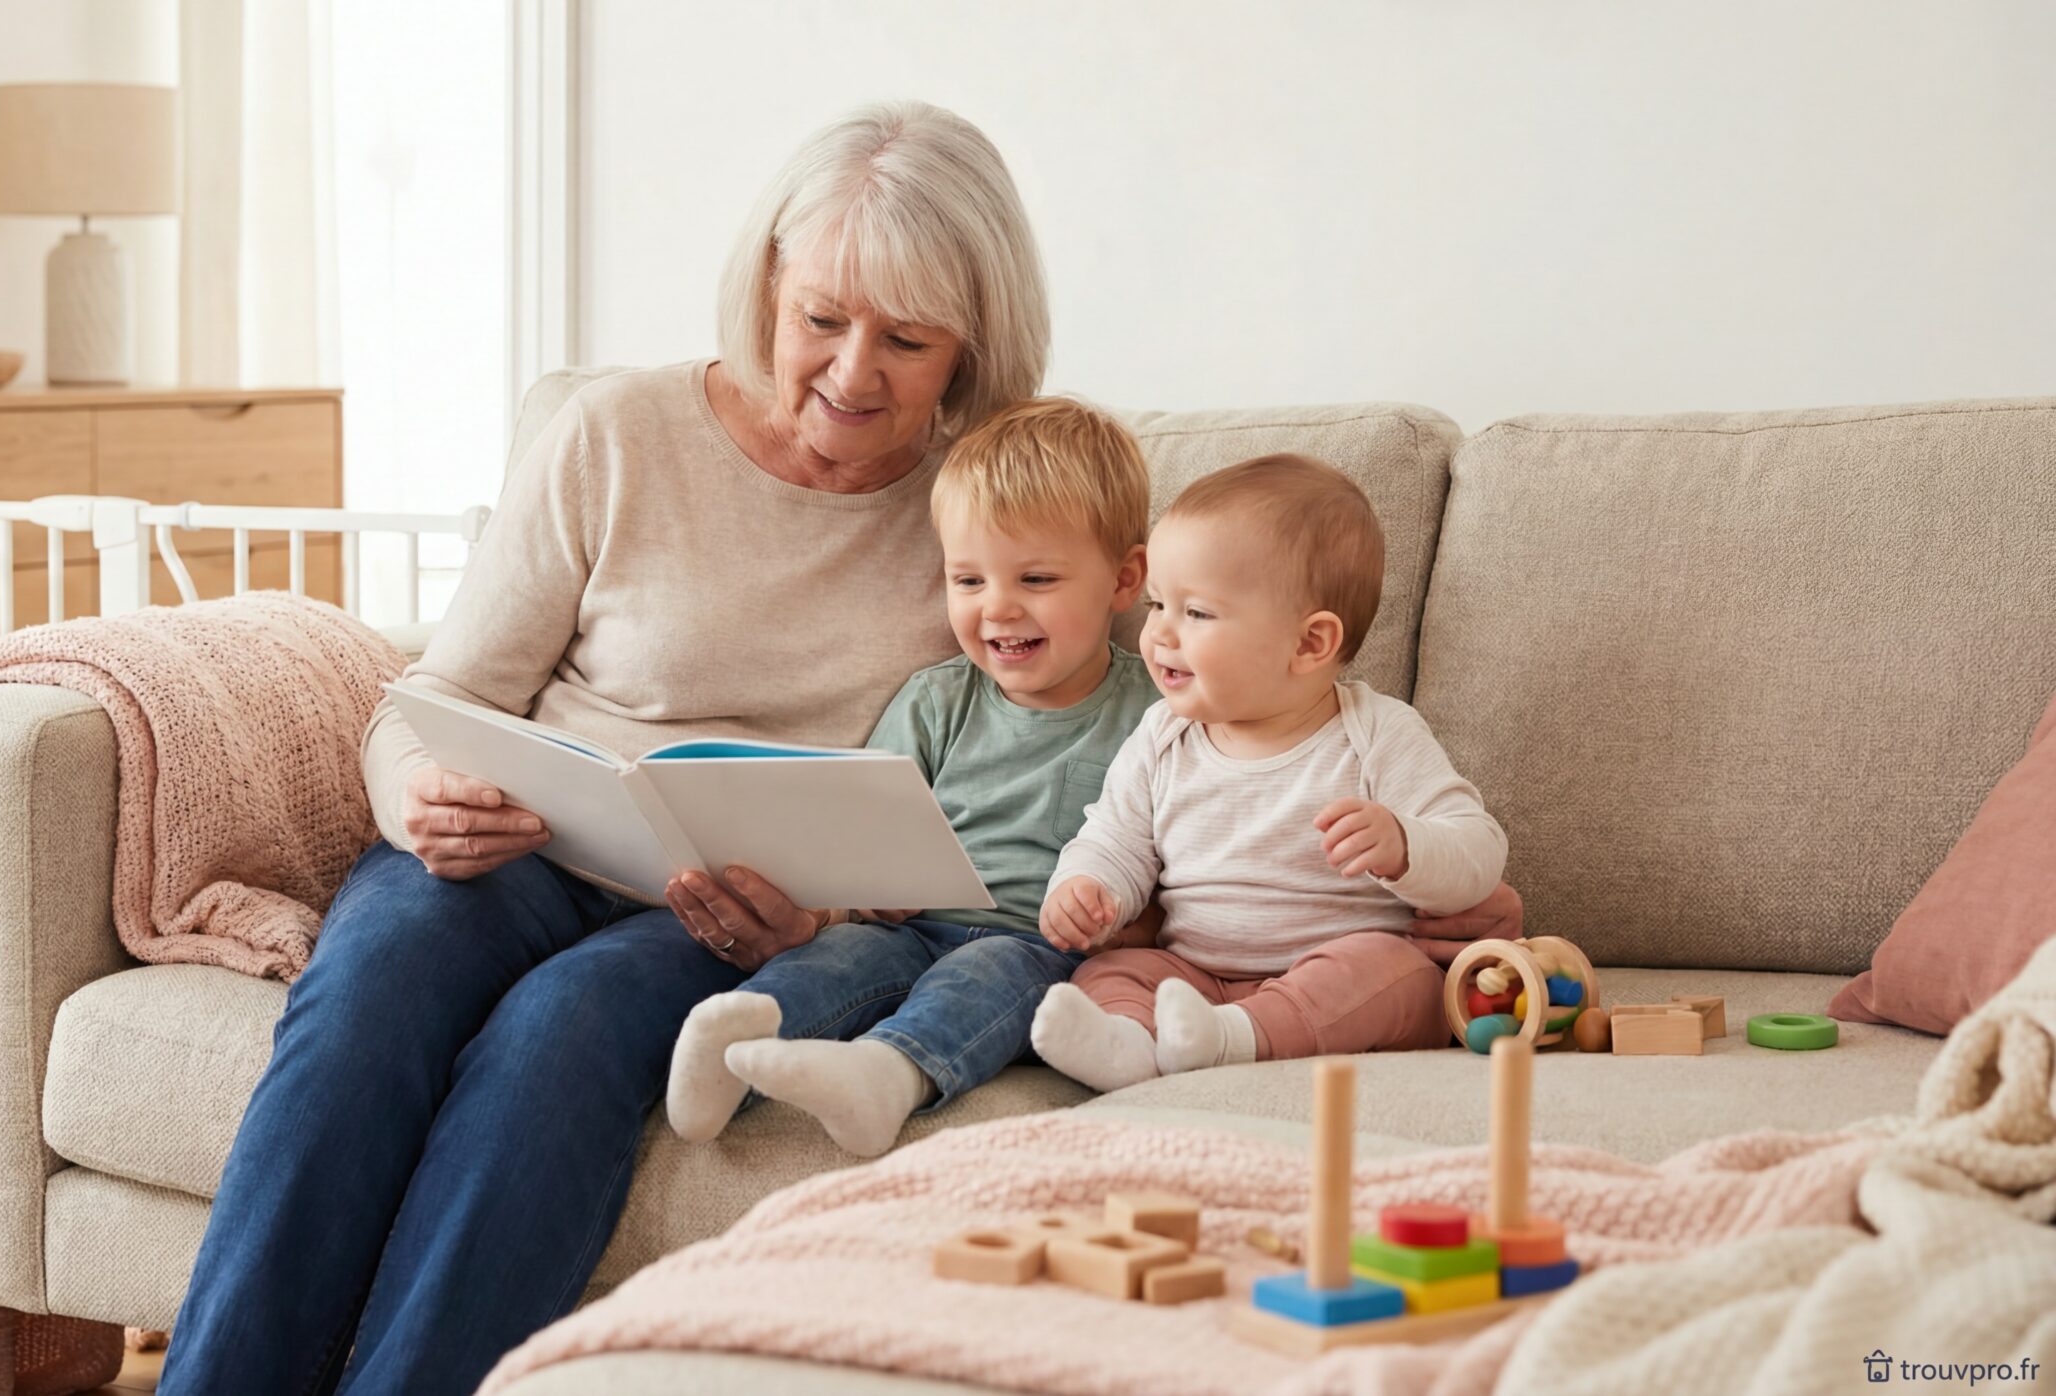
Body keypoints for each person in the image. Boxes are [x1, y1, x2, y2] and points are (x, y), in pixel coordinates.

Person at [156, 101, 1053, 1395]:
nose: (853, 373)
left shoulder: (1000, 504)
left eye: (906, 341)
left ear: (975, 340)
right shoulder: (617, 433)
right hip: (529, 835)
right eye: (821, 320)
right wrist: (421, 803)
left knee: (561, 1030)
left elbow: (1045, 777)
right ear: (766, 287)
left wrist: (828, 924)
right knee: (374, 985)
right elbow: (429, 696)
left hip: (740, 909)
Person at [663, 397, 1155, 1157]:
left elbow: (1183, 867)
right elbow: (858, 837)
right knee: (841, 960)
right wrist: (861, 891)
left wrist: (1122, 926)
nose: (999, 607)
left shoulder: (1156, 718)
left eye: (1036, 577)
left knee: (986, 972)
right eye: (968, 580)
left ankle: (888, 1075)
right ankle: (738, 1042)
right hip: (914, 925)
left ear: (1125, 580)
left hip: (1036, 945)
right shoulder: (935, 699)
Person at [1030, 453, 1510, 1090]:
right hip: (1194, 976)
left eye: (1196, 613)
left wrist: (1404, 844)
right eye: (1156, 606)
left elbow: (1479, 852)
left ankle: (1232, 1038)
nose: (1160, 635)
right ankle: (1127, 1045)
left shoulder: (1375, 733)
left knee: (1392, 972)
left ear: (1310, 644)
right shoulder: (1162, 735)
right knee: (1109, 975)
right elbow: (1114, 838)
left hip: (1332, 974)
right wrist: (1090, 888)